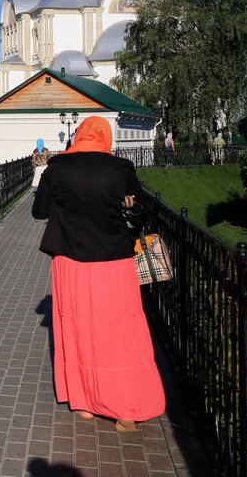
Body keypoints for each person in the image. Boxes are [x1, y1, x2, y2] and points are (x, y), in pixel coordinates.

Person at [31, 116, 165, 432]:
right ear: (105, 137)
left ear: (79, 135)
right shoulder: (120, 169)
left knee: (78, 328)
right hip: (114, 261)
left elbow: (40, 212)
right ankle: (126, 409)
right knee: (120, 331)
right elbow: (138, 216)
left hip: (70, 260)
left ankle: (84, 402)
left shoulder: (57, 168)